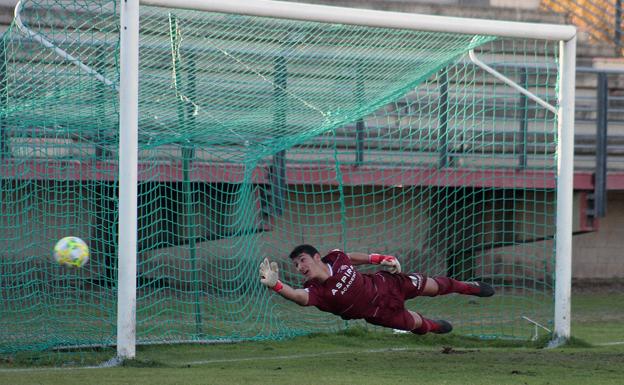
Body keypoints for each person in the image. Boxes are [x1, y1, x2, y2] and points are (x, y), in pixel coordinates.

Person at [259, 244, 495, 335]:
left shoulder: (337, 258)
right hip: (379, 313)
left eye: (302, 260)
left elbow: (351, 256)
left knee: (435, 286)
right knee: (417, 325)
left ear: (317, 257)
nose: (300, 267)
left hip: (389, 284)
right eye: (296, 265)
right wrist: (276, 285)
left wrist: (379, 258)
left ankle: (468, 287)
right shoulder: (314, 290)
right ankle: (433, 326)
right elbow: (299, 298)